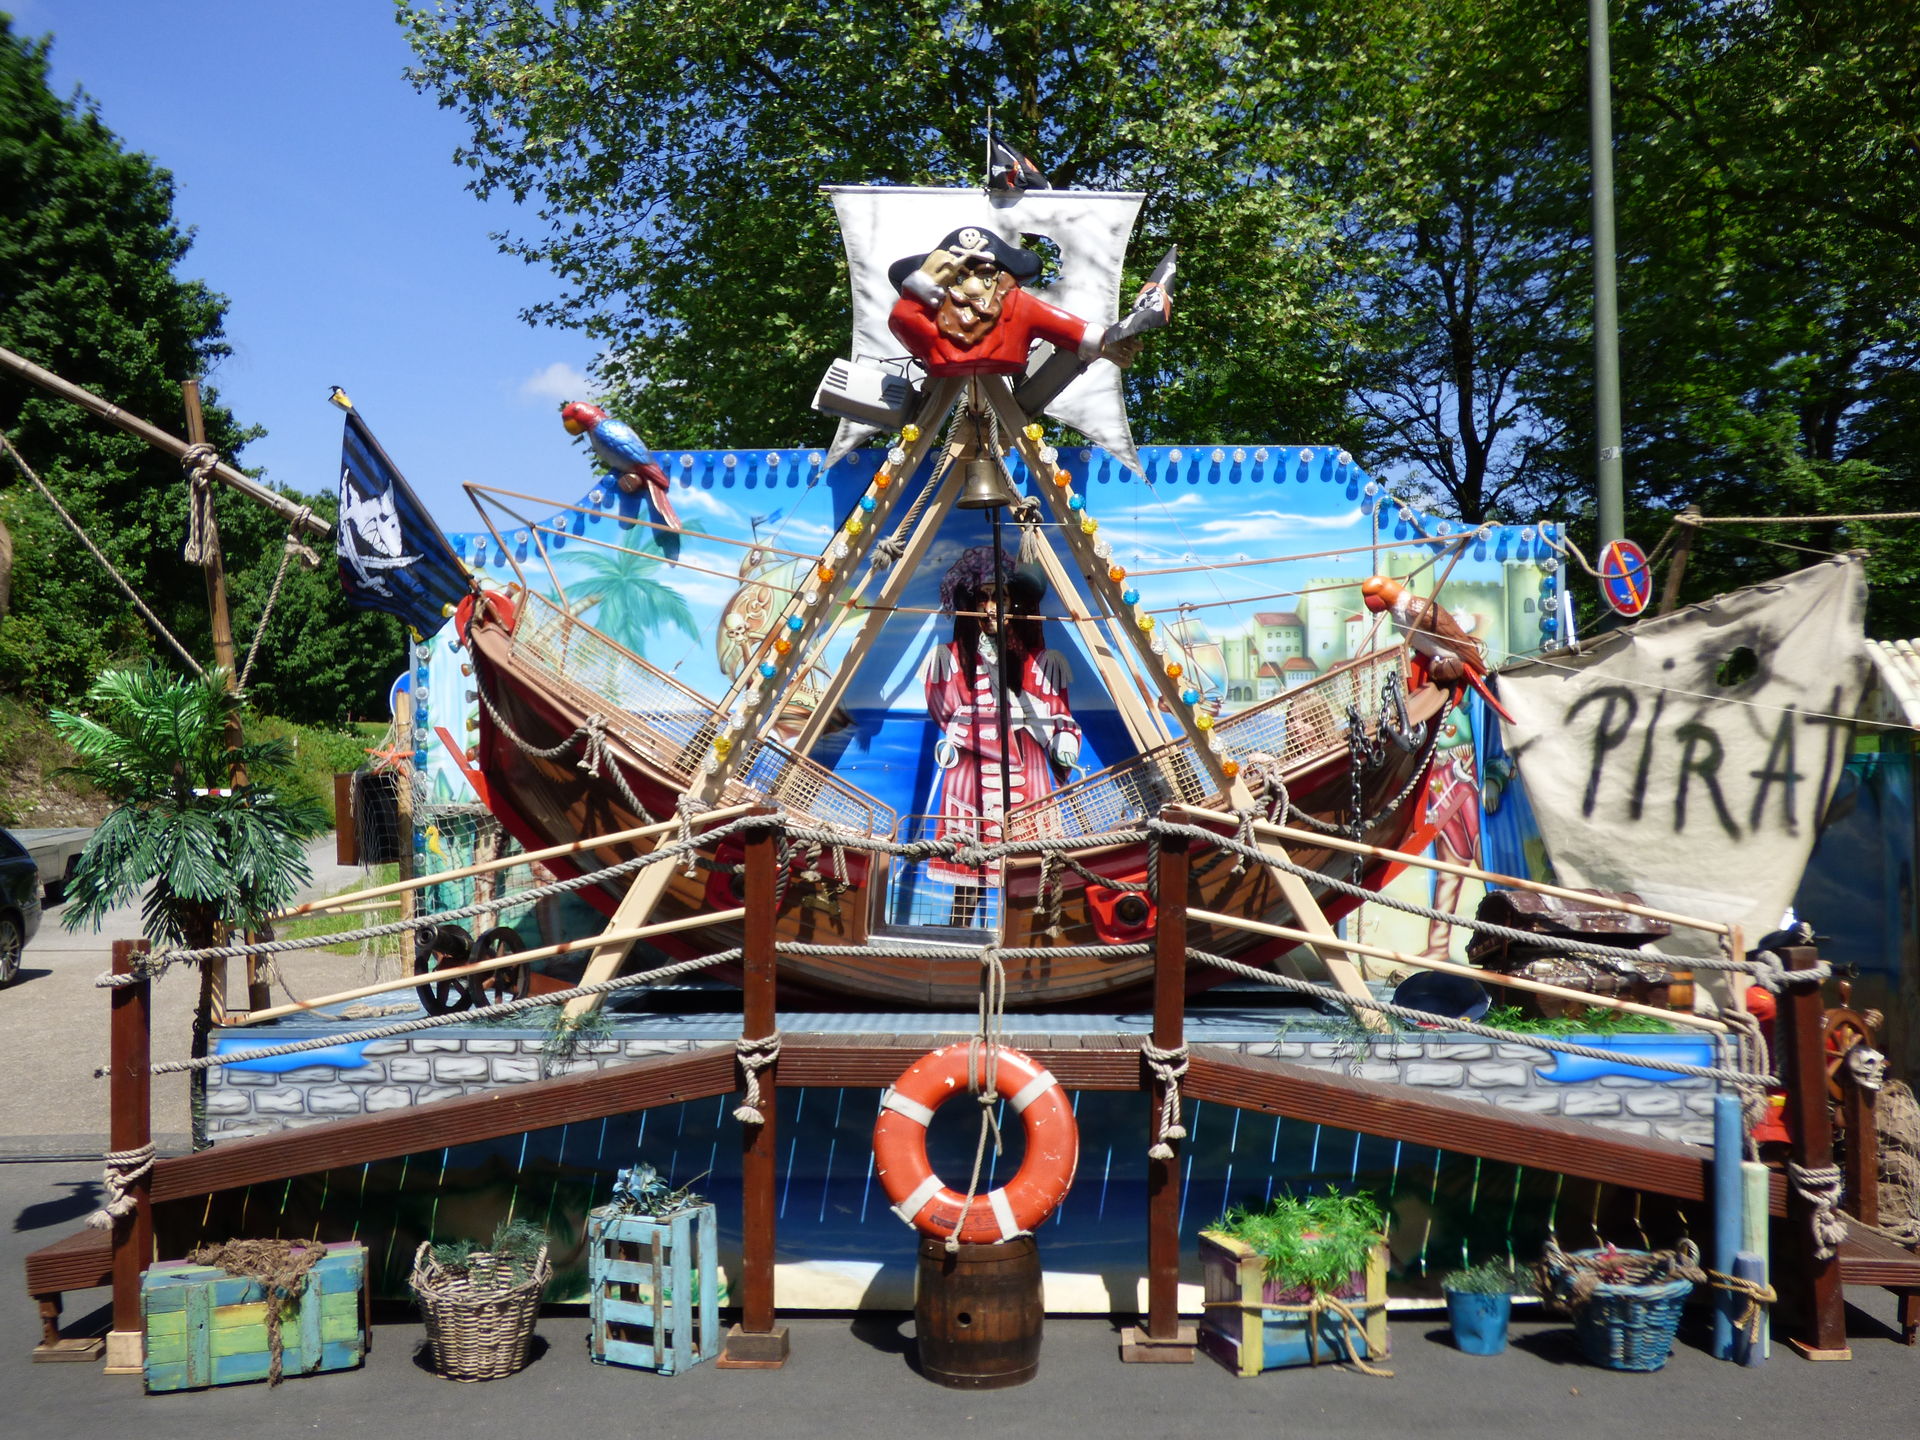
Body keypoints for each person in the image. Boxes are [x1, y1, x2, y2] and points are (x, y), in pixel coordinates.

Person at [923, 548, 1081, 918]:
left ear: (1013, 605)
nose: (991, 607)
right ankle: (959, 931)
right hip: (972, 779)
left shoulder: (1041, 662)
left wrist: (1062, 741)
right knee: (969, 871)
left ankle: (1027, 934)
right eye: (983, 598)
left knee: (1028, 871)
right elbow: (947, 715)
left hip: (1026, 777)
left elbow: (1059, 716)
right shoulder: (948, 659)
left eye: (1000, 598)